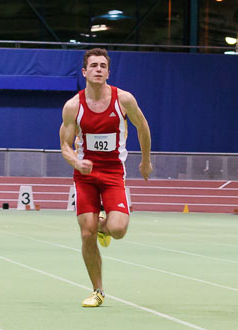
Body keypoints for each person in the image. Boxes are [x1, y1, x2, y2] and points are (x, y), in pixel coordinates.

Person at [59, 48, 153, 308]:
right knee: (86, 233)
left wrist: (145, 160)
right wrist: (76, 161)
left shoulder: (124, 100)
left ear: (108, 72)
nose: (98, 69)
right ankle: (97, 291)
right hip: (85, 176)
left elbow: (142, 127)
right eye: (94, 65)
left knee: (118, 230)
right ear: (84, 71)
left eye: (103, 66)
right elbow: (65, 145)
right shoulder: (73, 106)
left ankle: (104, 225)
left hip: (113, 174)